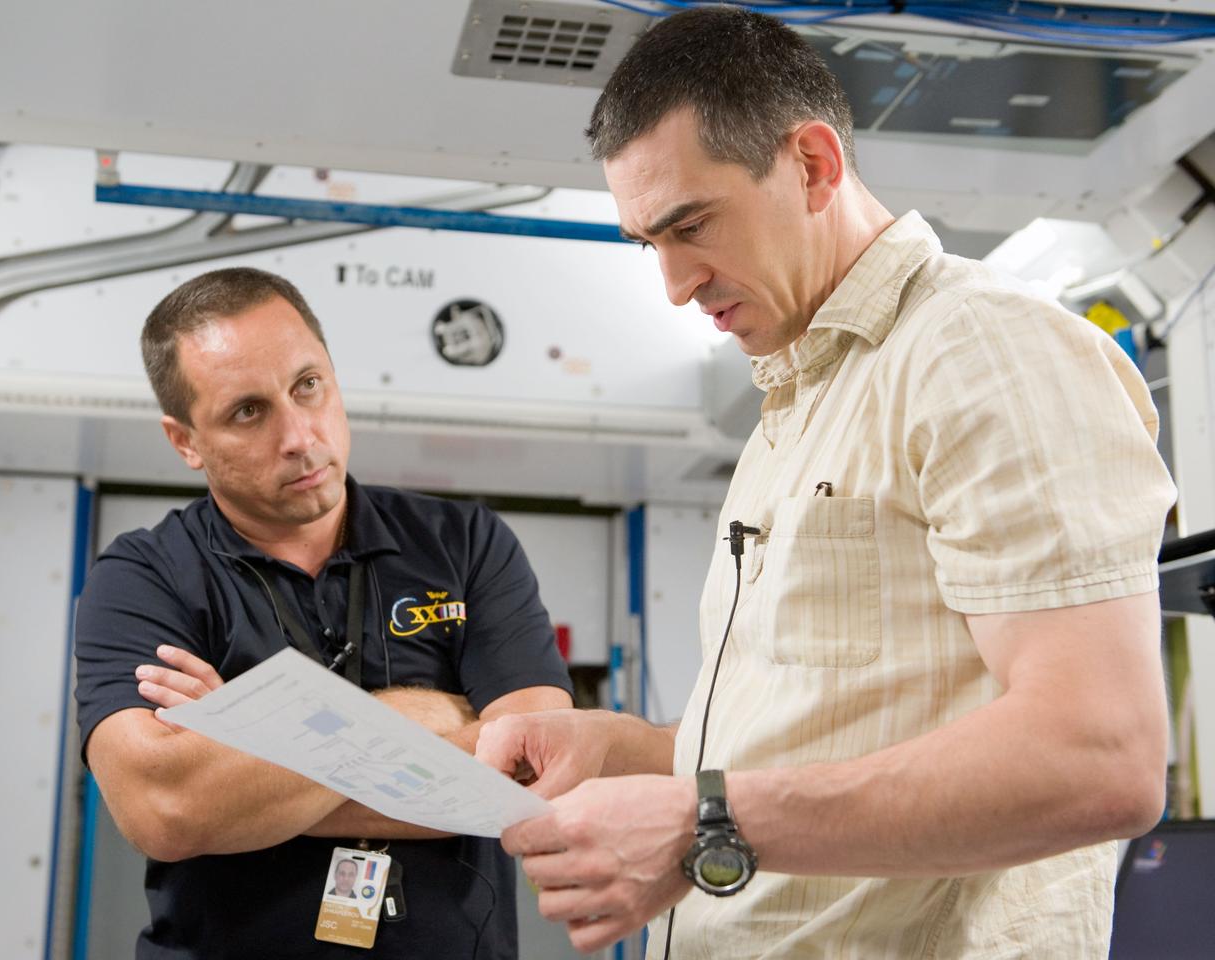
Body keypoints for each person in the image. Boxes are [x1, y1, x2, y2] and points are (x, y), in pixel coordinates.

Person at [474, 8, 1176, 959]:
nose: (675, 283)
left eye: (691, 225)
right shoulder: (804, 397)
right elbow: (828, 722)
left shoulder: (983, 350)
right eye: (650, 244)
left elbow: (1100, 757)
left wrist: (701, 823)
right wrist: (633, 750)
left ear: (812, 164)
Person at [74, 266, 574, 960]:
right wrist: (435, 715)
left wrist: (248, 742)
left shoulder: (465, 545)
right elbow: (167, 809)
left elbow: (535, 766)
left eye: (308, 386)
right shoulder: (143, 576)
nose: (299, 435)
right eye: (248, 411)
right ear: (185, 440)